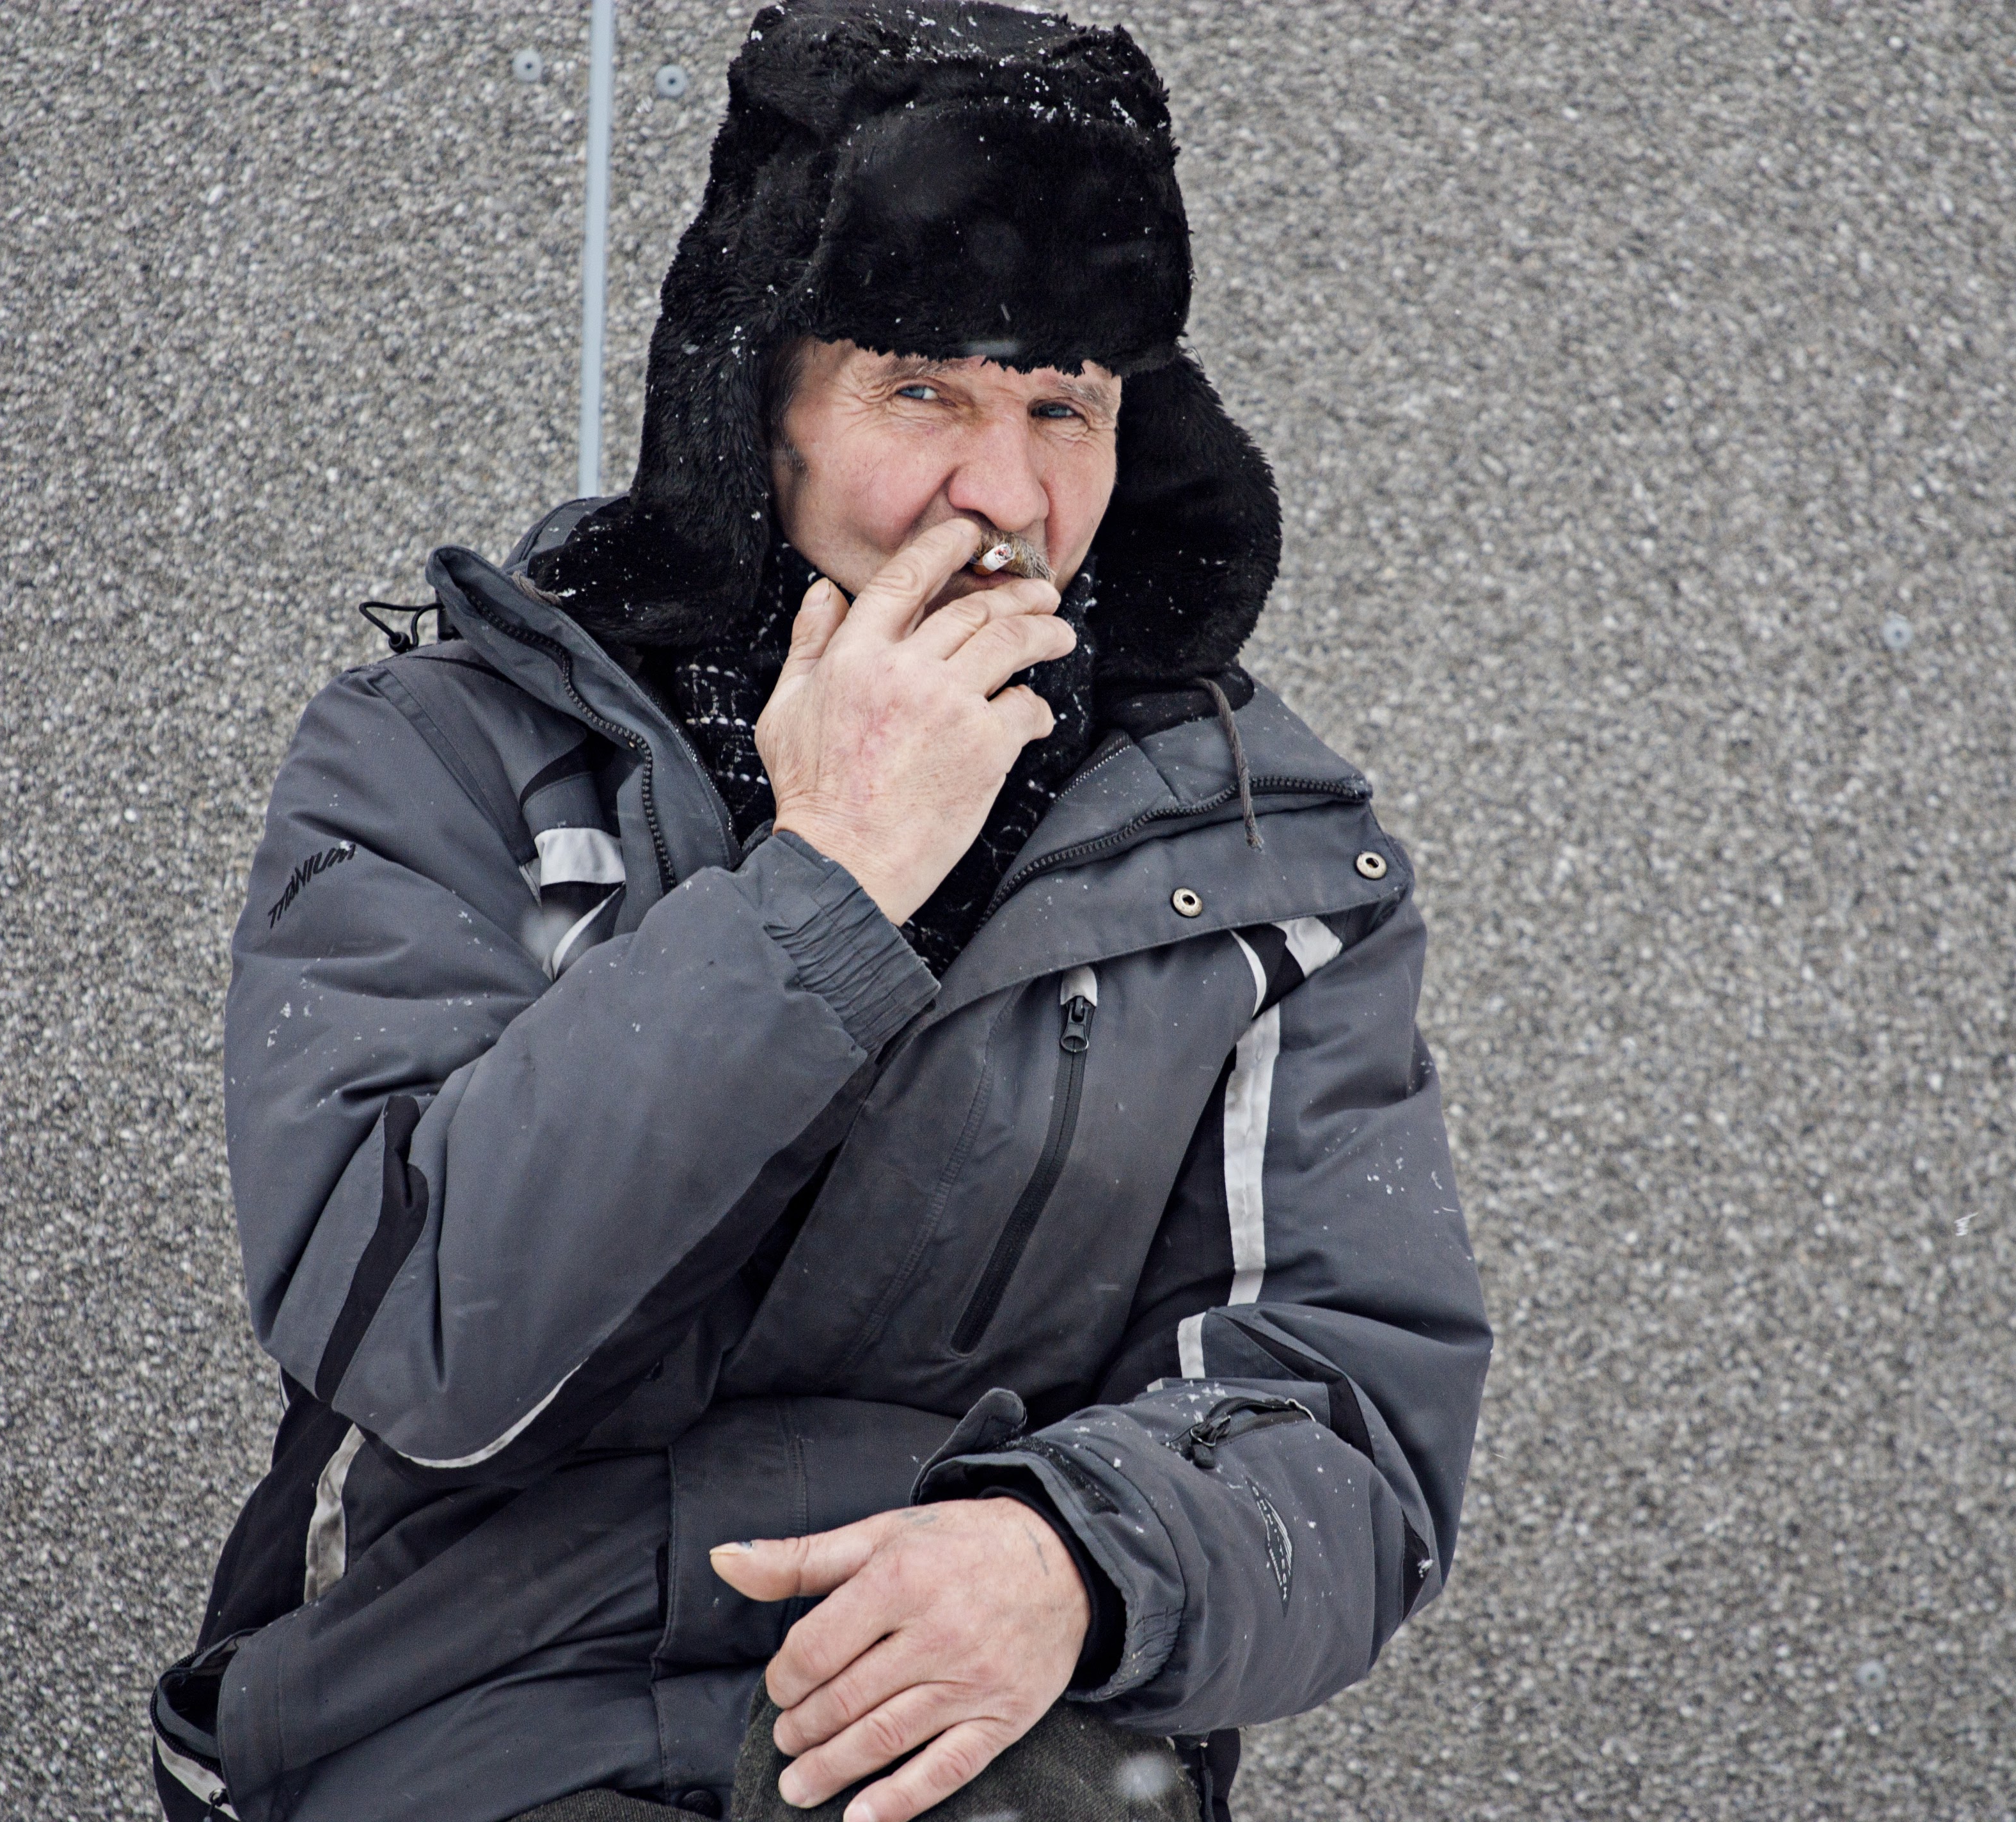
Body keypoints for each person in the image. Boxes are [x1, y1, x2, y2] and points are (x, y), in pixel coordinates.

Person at [148, 5, 1490, 1819]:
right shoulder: (445, 757)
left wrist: (1074, 1559)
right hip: (490, 1719)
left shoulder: (1264, 859)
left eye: (1064, 409)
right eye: (923, 391)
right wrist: (831, 876)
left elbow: (1353, 1413)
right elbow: (418, 1336)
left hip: (1001, 1749)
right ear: (756, 403)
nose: (1005, 496)